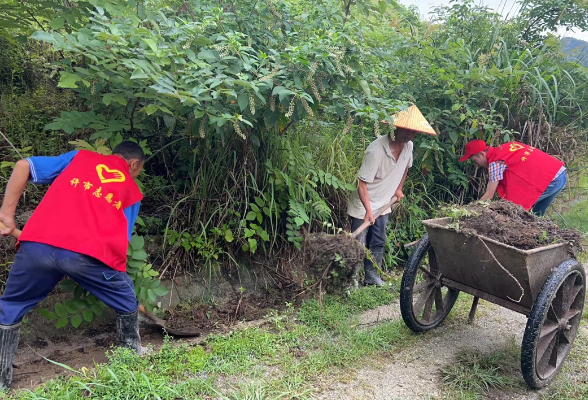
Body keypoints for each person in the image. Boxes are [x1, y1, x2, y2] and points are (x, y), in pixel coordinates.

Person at [0, 141, 145, 389]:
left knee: (10, 306)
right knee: (125, 299)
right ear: (133, 164)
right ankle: (130, 359)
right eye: (138, 171)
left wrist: (6, 216)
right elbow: (119, 244)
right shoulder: (130, 191)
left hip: (35, 248)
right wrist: (121, 286)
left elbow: (23, 165)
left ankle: (2, 382)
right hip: (86, 257)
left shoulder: (80, 158)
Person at [347, 105, 436, 286]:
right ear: (395, 127)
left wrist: (399, 188)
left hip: (385, 202)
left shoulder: (408, 146)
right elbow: (361, 183)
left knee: (378, 240)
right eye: (408, 132)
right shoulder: (376, 151)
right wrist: (368, 210)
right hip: (363, 204)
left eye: (414, 133)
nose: (411, 137)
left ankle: (372, 277)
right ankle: (352, 281)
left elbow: (405, 167)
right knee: (359, 243)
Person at [459, 139, 567, 216]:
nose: (476, 165)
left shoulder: (495, 162)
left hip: (551, 181)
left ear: (481, 154)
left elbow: (488, 195)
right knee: (536, 215)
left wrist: (469, 211)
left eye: (474, 161)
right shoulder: (507, 147)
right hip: (559, 173)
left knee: (514, 211)